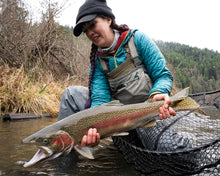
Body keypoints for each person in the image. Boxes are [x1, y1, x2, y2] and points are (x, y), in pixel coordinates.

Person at [57, 0, 176, 148]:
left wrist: (159, 93)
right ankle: (63, 163)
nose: (89, 33)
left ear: (108, 19)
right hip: (117, 118)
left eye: (92, 24)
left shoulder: (138, 39)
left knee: (169, 147)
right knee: (71, 94)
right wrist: (94, 129)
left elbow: (162, 75)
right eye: (85, 30)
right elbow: (100, 101)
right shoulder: (97, 60)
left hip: (147, 112)